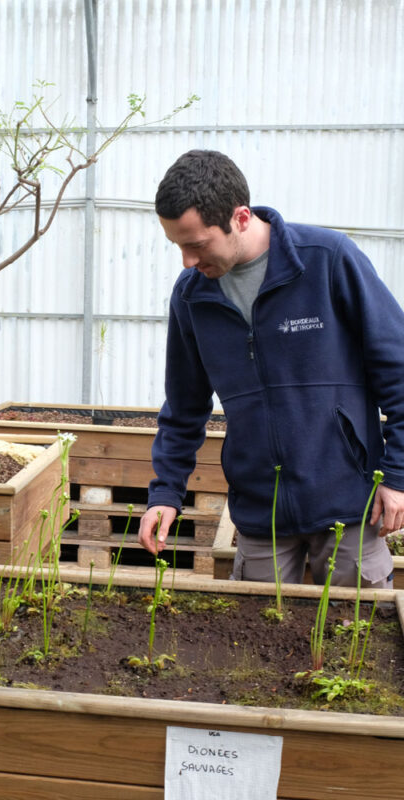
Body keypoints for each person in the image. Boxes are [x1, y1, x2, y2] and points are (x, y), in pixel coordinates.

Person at [137, 149, 404, 588]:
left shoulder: (327, 260)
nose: (186, 260)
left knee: (353, 644)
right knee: (254, 646)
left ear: (240, 218)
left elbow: (396, 374)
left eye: (197, 244)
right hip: (262, 514)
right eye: (178, 246)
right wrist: (166, 493)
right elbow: (184, 406)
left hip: (350, 508)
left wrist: (397, 476)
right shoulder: (191, 297)